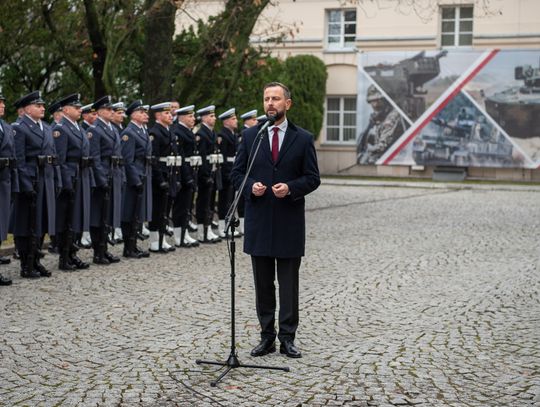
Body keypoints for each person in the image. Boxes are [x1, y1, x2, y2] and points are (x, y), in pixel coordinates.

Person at [231, 82, 320, 358]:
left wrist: (291, 188)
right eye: (267, 98)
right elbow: (236, 174)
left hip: (289, 220)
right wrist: (251, 188)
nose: (270, 103)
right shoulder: (251, 136)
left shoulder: (303, 138)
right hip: (259, 220)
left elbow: (313, 178)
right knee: (263, 284)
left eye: (276, 99)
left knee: (288, 283)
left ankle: (288, 338)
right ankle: (266, 336)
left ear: (287, 104)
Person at [11, 91, 58, 278]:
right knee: (26, 223)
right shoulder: (20, 128)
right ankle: (26, 262)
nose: (43, 108)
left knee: (41, 222)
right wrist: (25, 184)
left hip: (45, 179)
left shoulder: (46, 128)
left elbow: (53, 157)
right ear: (28, 108)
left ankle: (36, 259)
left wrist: (56, 180)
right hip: (30, 181)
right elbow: (20, 160)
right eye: (38, 106)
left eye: (43, 105)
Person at [52, 93, 92, 271]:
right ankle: (64, 256)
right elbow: (60, 159)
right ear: (66, 110)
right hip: (69, 177)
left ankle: (72, 253)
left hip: (80, 175)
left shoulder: (78, 128)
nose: (79, 110)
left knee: (75, 216)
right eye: (76, 108)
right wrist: (65, 182)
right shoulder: (61, 129)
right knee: (66, 218)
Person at [88, 95, 123, 265]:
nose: (112, 112)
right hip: (102, 177)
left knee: (108, 214)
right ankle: (98, 251)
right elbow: (95, 157)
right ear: (100, 111)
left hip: (113, 174)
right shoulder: (94, 130)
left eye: (112, 109)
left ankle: (105, 249)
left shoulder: (113, 129)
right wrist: (101, 179)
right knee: (99, 215)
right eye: (109, 109)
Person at [120, 100, 152, 258]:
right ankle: (128, 247)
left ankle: (133, 245)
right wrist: (136, 180)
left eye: (145, 112)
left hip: (142, 174)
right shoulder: (128, 133)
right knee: (129, 212)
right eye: (141, 112)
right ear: (132, 114)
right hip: (133, 178)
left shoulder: (142, 131)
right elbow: (127, 160)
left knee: (137, 213)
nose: (145, 115)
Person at [147, 102, 178, 253]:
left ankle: (162, 238)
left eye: (170, 113)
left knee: (166, 209)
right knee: (157, 209)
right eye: (166, 113)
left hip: (170, 174)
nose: (170, 115)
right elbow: (154, 159)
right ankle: (154, 240)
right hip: (160, 176)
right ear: (158, 115)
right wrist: (160, 180)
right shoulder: (155, 133)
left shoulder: (169, 131)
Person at [171, 105, 200, 248]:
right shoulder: (178, 131)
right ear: (182, 117)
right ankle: (178, 236)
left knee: (188, 205)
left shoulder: (188, 131)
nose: (193, 119)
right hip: (183, 172)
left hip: (192, 170)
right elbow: (180, 157)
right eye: (190, 116)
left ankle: (184, 232)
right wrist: (186, 176)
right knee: (181, 205)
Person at [357, 85, 406, 165]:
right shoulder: (379, 117)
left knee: (366, 160)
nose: (375, 105)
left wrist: (366, 152)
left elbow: (382, 146)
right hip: (386, 158)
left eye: (378, 101)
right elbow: (361, 142)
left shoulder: (392, 116)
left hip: (396, 159)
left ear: (386, 100)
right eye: (372, 101)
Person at [195, 105, 221, 243]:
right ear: (204, 118)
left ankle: (208, 228)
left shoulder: (212, 132)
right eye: (211, 116)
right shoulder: (201, 134)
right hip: (205, 174)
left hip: (213, 171)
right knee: (203, 203)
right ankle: (202, 231)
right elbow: (203, 157)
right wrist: (205, 175)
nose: (214, 118)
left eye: (214, 115)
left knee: (210, 203)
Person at [0, 91, 17, 285]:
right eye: (0, 102)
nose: (3, 105)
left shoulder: (6, 126)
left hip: (5, 181)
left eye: (3, 102)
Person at [216, 108, 240, 237]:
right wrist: (227, 174)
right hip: (226, 172)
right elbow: (223, 158)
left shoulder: (233, 134)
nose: (236, 121)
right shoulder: (223, 136)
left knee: (230, 200)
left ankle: (228, 224)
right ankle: (222, 227)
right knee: (224, 201)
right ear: (226, 122)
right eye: (233, 119)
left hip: (232, 170)